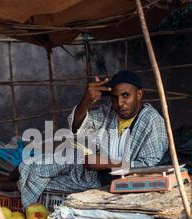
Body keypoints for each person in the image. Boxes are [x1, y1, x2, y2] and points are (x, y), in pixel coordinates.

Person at [18, 70, 169, 207]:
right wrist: (86, 101)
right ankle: (6, 187)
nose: (119, 104)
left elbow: (150, 168)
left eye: (125, 96)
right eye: (114, 98)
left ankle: (17, 194)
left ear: (139, 94)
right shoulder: (110, 112)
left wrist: (105, 163)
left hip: (113, 184)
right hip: (90, 170)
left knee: (43, 183)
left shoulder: (152, 122)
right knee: (33, 167)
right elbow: (77, 127)